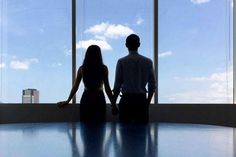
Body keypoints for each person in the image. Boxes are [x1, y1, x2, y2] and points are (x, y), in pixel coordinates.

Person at [57, 45, 118, 122]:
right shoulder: (103, 69)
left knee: (85, 126)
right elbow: (107, 88)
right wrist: (113, 104)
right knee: (100, 127)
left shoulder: (82, 69)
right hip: (99, 98)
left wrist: (68, 100)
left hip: (86, 98)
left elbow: (75, 87)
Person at [113, 34, 156, 122]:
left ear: (126, 45)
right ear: (139, 45)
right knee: (142, 131)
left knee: (125, 131)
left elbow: (117, 85)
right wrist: (147, 102)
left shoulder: (121, 62)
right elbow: (152, 85)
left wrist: (113, 104)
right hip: (141, 100)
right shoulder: (148, 62)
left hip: (126, 100)